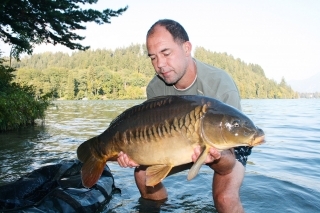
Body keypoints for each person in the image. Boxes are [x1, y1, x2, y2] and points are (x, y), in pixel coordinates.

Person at [117, 19, 252, 213]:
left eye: (166, 53)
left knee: (225, 197)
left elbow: (228, 163)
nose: (160, 64)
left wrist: (216, 155)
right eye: (153, 57)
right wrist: (134, 154)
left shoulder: (220, 83)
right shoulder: (155, 88)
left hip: (225, 147)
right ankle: (164, 208)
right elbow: (154, 138)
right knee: (142, 176)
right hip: (180, 144)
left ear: (186, 48)